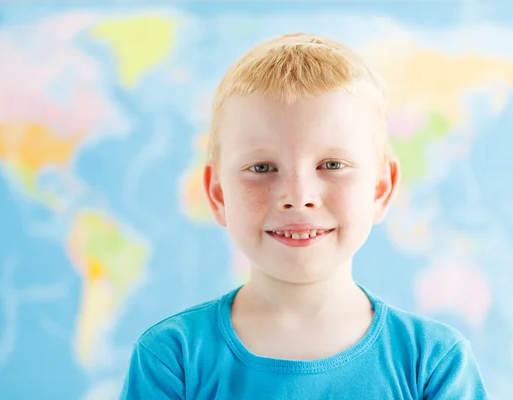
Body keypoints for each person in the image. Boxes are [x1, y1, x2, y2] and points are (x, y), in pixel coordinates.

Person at [119, 33, 488, 399]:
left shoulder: (434, 365)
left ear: (380, 188)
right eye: (262, 167)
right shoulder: (173, 360)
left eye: (332, 164)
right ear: (218, 193)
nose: (297, 197)